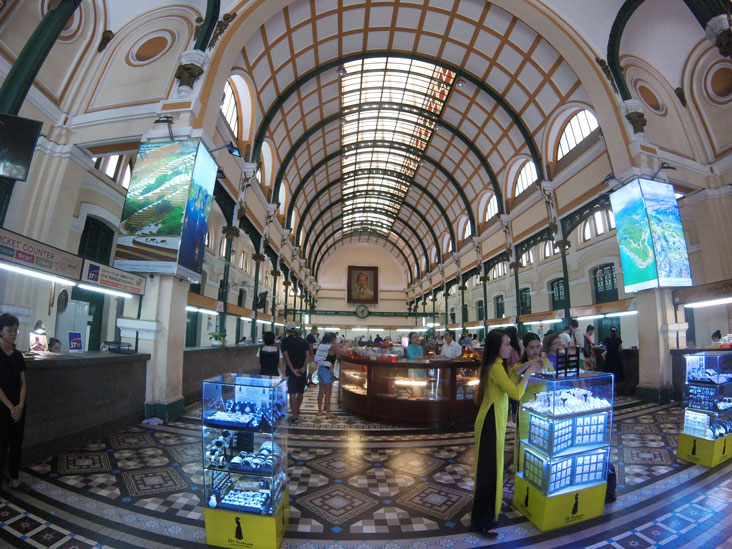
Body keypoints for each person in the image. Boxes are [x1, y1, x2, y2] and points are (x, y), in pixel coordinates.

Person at [471, 329, 541, 536]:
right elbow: (517, 393)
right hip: (489, 423)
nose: (510, 348)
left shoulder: (498, 365)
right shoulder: (494, 367)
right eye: (507, 344)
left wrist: (528, 364)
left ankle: (490, 513)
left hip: (495, 421)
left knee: (493, 468)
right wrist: (528, 373)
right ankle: (483, 520)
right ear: (496, 347)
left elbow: (512, 374)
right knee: (489, 471)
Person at [0, 313, 27, 490]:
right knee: (2, 444)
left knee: (17, 443)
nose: (13, 334)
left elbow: (23, 382)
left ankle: (15, 478)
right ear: (1, 331)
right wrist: (11, 407)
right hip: (3, 407)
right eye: (10, 330)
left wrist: (20, 405)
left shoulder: (18, 356)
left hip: (19, 406)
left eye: (16, 330)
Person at [280, 321, 310, 422]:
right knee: (300, 391)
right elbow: (308, 355)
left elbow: (286, 355)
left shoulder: (284, 341)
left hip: (291, 371)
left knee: (292, 392)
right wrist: (304, 367)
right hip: (302, 370)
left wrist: (292, 369)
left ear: (287, 330)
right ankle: (297, 409)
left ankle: (294, 415)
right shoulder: (303, 341)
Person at [313, 333, 341, 418]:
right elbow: (342, 353)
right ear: (332, 340)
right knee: (328, 393)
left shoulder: (322, 346)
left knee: (321, 392)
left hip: (320, 370)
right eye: (335, 339)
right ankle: (328, 413)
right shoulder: (333, 347)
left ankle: (319, 411)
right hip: (327, 371)